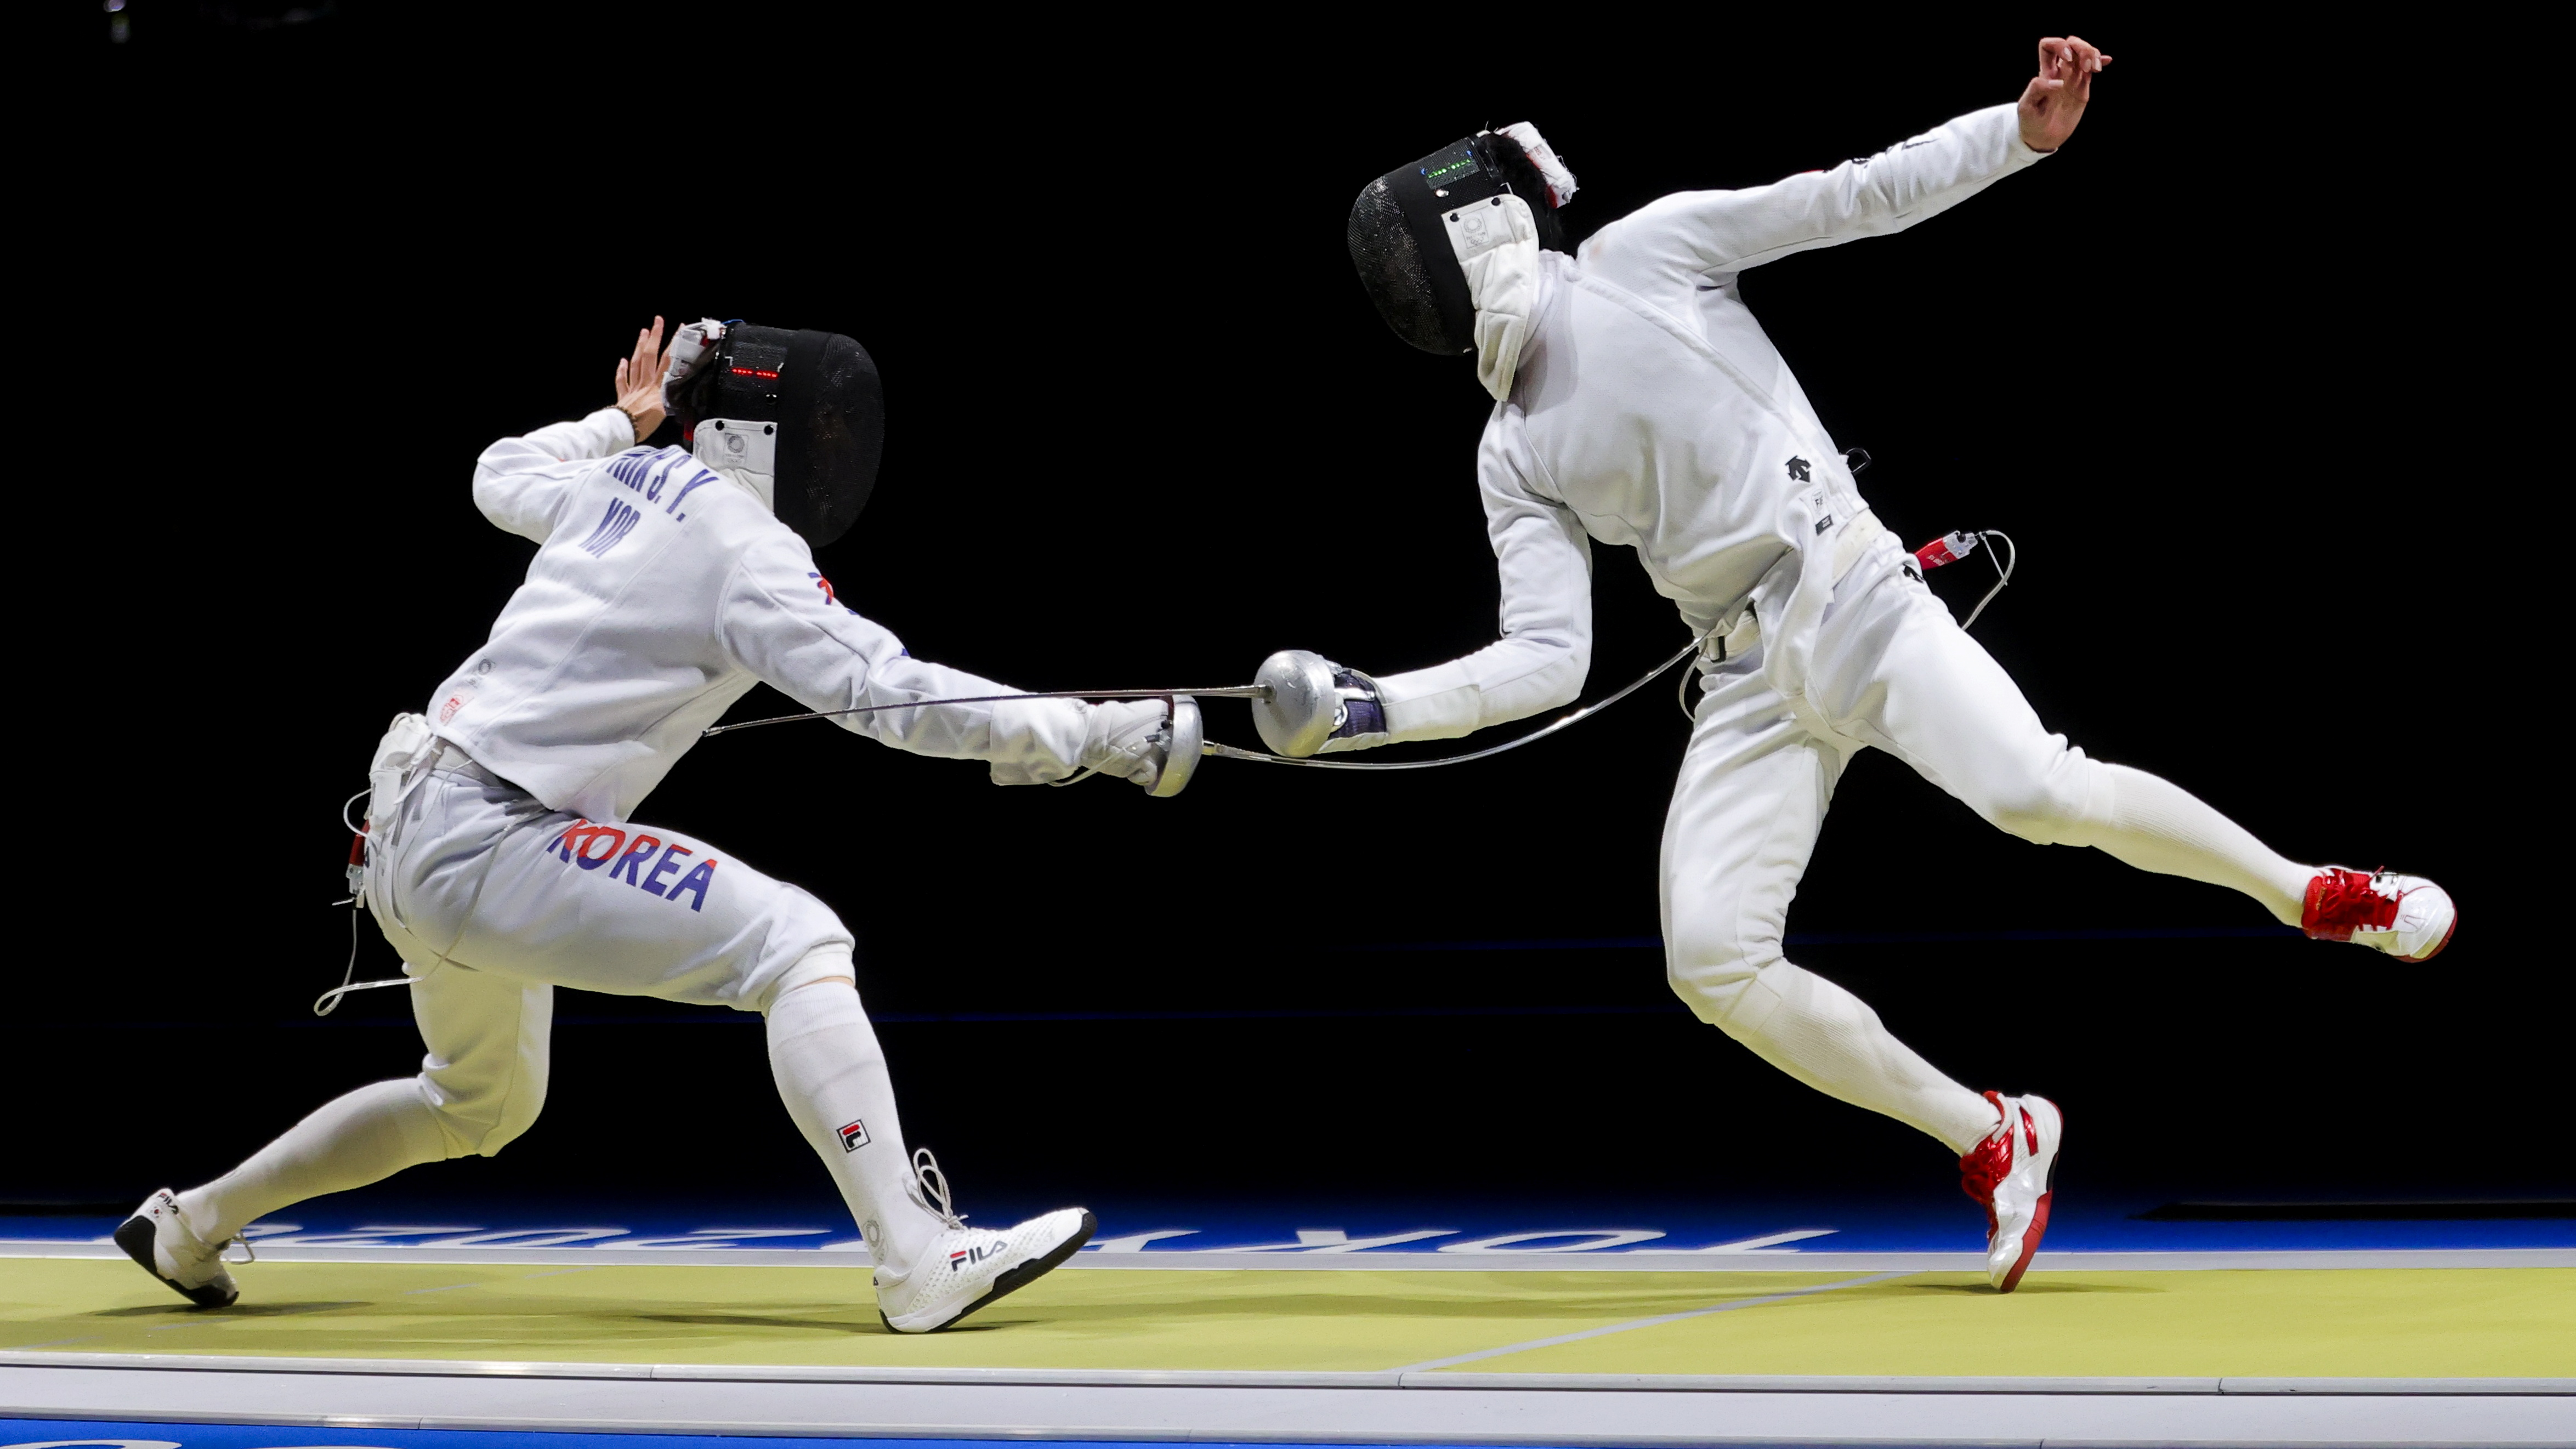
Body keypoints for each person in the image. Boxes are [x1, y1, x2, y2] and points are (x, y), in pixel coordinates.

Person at [1278, 37, 2455, 1292]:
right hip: (1743, 679)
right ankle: (1992, 1132)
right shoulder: (1511, 448)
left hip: (1856, 596)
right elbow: (1547, 660)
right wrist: (1373, 707)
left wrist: (2017, 135)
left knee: (2037, 790)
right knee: (1712, 959)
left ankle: (2315, 891)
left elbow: (1858, 194)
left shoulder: (1645, 253)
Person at [117, 317, 1190, 1331]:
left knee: (478, 1103)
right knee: (796, 944)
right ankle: (915, 1259)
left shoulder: (626, 474)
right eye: (820, 429)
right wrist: (1102, 735)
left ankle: (190, 1224)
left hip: (409, 822)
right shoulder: (747, 549)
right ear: (757, 434)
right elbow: (893, 695)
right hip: (491, 834)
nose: (834, 449)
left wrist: (618, 422)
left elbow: (499, 472)